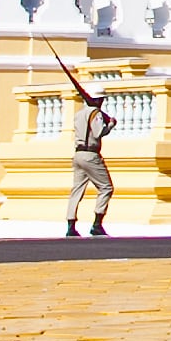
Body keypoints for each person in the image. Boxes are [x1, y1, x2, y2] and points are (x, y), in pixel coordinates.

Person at [64, 74, 116, 237]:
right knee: (106, 187)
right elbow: (99, 132)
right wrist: (111, 125)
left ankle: (71, 225)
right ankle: (97, 223)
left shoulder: (79, 113)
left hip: (78, 154)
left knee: (76, 190)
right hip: (91, 154)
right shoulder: (96, 114)